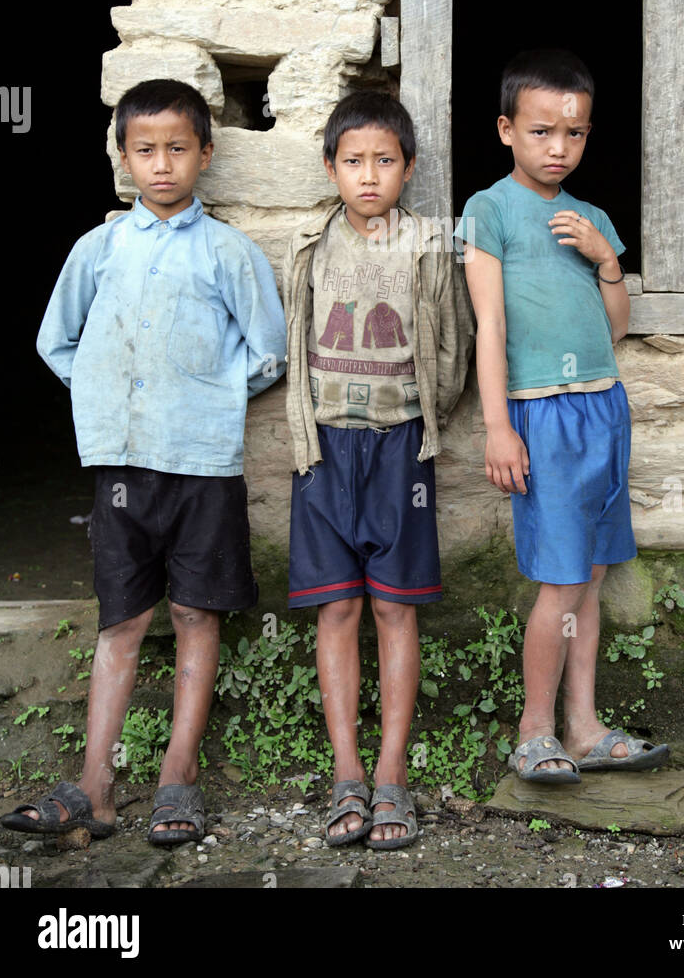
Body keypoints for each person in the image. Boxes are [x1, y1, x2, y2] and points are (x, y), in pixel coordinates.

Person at [1, 79, 286, 844]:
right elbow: (56, 341)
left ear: (205, 153)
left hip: (203, 465)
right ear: (122, 156)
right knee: (122, 618)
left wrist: (206, 398)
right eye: (145, 150)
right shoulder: (97, 250)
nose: (162, 165)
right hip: (121, 464)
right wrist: (105, 395)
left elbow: (267, 354)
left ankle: (177, 777)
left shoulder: (230, 252)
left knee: (196, 613)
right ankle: (93, 784)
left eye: (178, 149)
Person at [454, 49, 668, 781]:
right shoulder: (489, 211)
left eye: (574, 134)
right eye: (542, 131)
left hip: (604, 409)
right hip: (540, 417)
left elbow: (613, 329)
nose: (558, 148)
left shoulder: (592, 217)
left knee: (594, 576)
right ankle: (535, 731)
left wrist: (608, 259)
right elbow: (492, 327)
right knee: (560, 581)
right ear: (507, 129)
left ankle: (584, 727)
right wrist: (498, 426)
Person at [282, 90, 472, 849]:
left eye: (384, 162)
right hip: (323, 450)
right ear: (330, 167)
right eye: (353, 161)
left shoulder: (428, 245)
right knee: (338, 610)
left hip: (401, 449)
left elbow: (453, 348)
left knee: (396, 608)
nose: (369, 176)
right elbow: (294, 342)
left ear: (409, 167)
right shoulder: (308, 245)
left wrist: (429, 423)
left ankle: (391, 774)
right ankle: (347, 774)